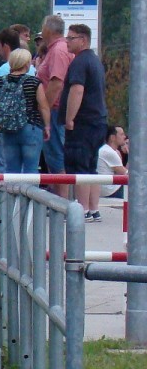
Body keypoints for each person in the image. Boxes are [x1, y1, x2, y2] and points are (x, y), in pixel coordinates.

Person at [61, 24, 107, 222]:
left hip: (83, 122)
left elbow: (77, 90)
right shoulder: (95, 61)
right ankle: (93, 209)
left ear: (83, 40)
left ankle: (83, 210)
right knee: (91, 167)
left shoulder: (79, 62)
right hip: (98, 120)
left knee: (80, 167)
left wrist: (70, 117)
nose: (67, 41)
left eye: (71, 38)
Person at [0, 49, 50, 174]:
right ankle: (29, 194)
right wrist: (47, 126)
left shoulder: (1, 82)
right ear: (26, 64)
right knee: (31, 170)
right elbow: (43, 106)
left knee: (11, 170)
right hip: (30, 127)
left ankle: (13, 194)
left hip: (8, 129)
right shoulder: (33, 82)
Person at [37, 15, 73, 179]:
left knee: (57, 161)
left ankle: (61, 202)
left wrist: (45, 109)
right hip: (56, 111)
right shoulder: (59, 49)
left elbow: (56, 83)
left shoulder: (58, 51)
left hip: (55, 112)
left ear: (47, 30)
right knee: (56, 160)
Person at [98, 125, 128, 200]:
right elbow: (127, 174)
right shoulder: (109, 152)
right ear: (112, 137)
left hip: (104, 188)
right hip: (110, 190)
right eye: (121, 134)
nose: (124, 137)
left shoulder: (107, 150)